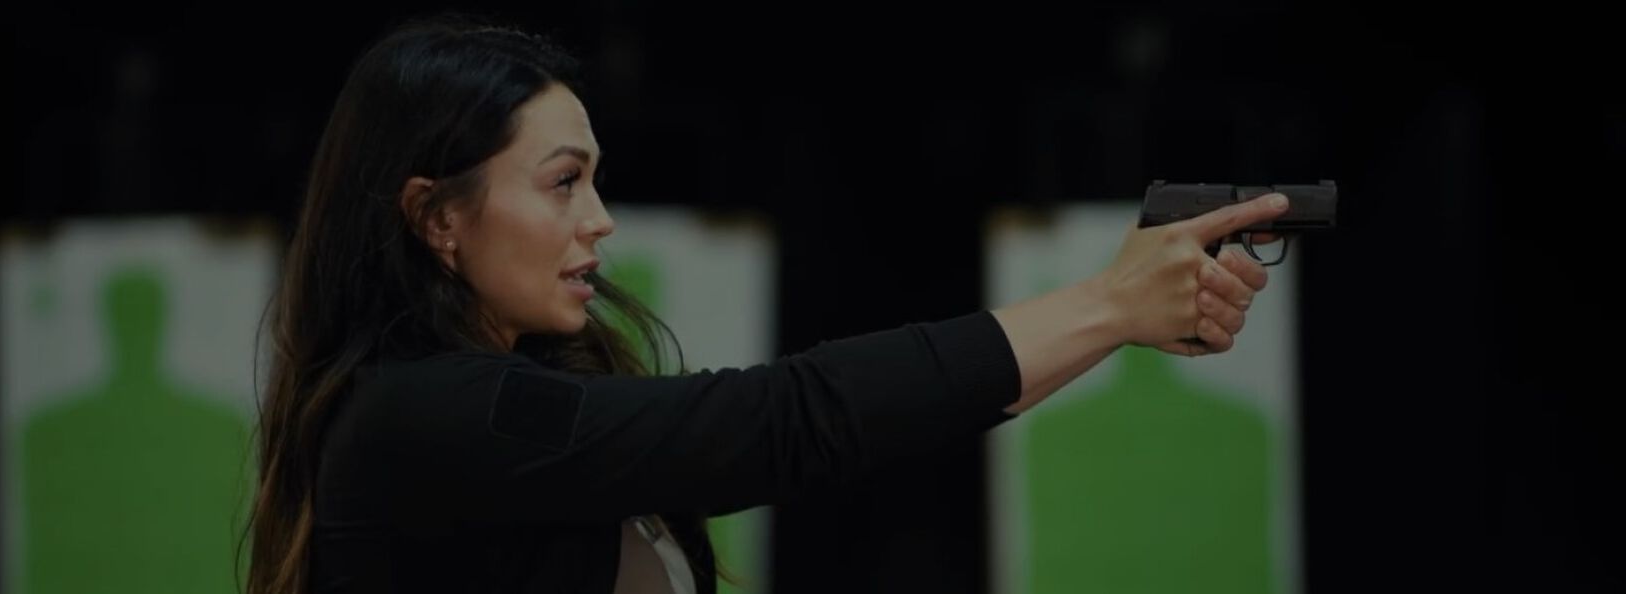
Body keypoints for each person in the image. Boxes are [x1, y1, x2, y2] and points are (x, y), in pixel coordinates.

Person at [241, 13, 1287, 594]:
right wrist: (1105, 305)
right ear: (437, 218)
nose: (599, 221)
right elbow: (792, 420)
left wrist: (1119, 315)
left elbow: (830, 420)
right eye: (563, 182)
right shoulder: (424, 414)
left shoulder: (499, 403)